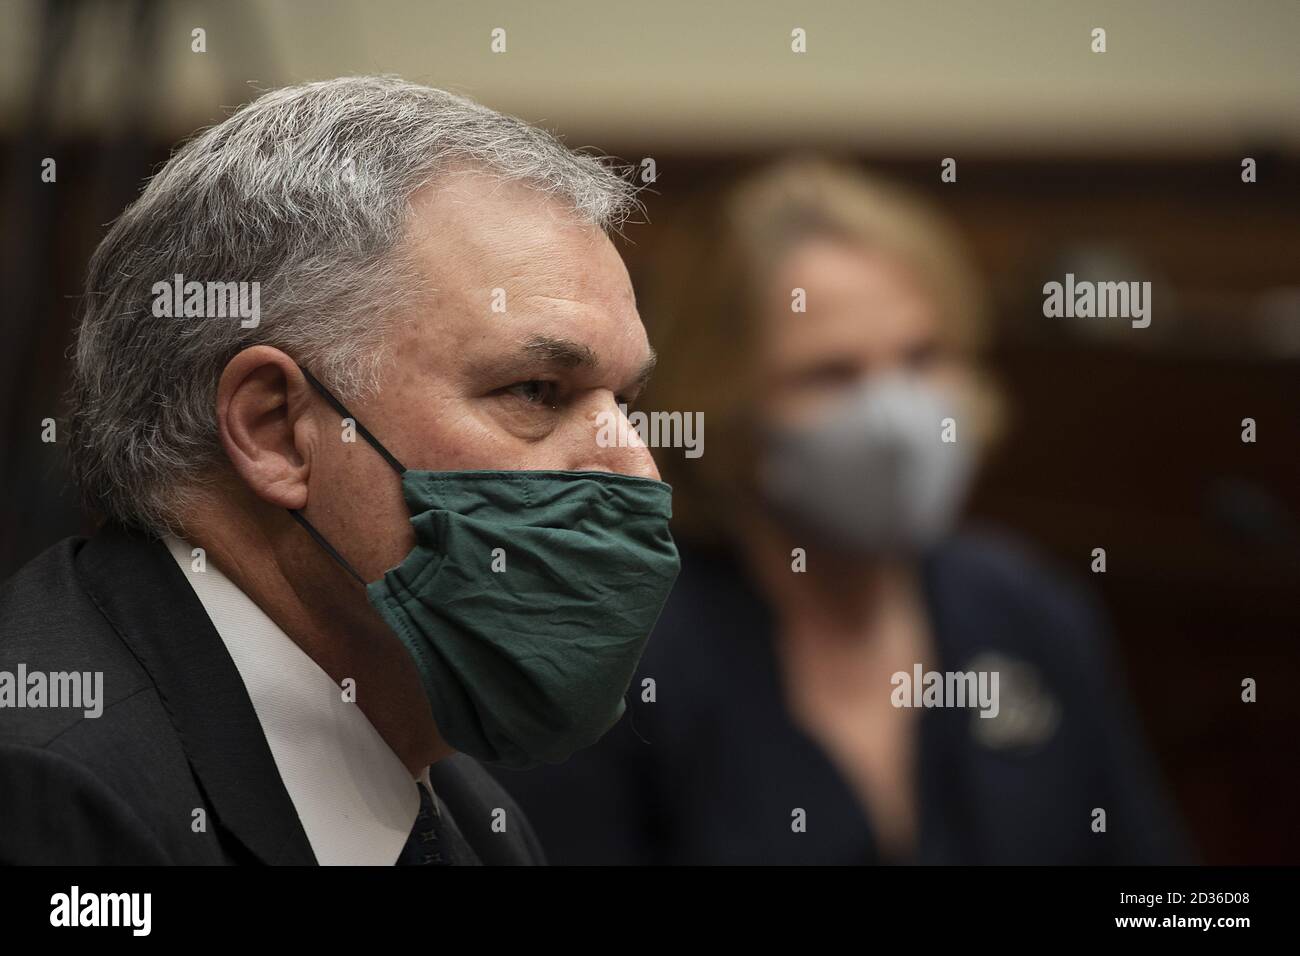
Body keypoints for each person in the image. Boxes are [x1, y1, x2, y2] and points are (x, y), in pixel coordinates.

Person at [0, 77, 681, 865]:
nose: (638, 469)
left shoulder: (469, 817)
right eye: (534, 391)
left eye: (626, 400)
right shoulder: (47, 791)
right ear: (277, 432)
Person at [491, 158, 1192, 865]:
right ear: (726, 408)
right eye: (832, 374)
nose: (894, 421)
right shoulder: (622, 660)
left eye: (921, 358)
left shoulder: (1028, 611)